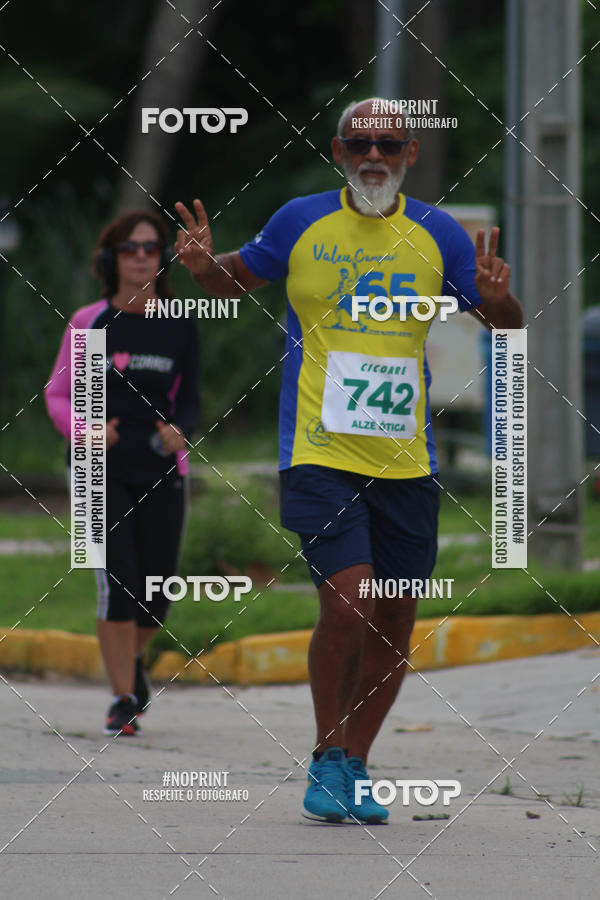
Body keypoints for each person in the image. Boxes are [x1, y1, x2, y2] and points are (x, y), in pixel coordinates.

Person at [174, 97, 523, 822]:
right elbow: (235, 278)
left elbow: (506, 324)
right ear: (338, 151)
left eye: (389, 144)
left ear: (409, 155)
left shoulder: (438, 234)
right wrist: (205, 267)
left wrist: (500, 301)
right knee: (348, 600)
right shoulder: (299, 220)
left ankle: (356, 765)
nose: (373, 155)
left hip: (407, 463)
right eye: (359, 142)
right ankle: (326, 754)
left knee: (394, 620)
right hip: (318, 451)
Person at [45, 209, 200, 736]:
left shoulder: (178, 323)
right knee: (119, 583)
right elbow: (59, 395)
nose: (140, 257)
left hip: (161, 468)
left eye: (150, 248)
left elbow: (190, 401)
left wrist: (181, 429)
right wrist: (85, 429)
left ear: (163, 258)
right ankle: (122, 699)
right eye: (129, 248)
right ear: (111, 258)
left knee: (156, 594)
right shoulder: (91, 323)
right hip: (97, 469)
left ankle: (128, 661)